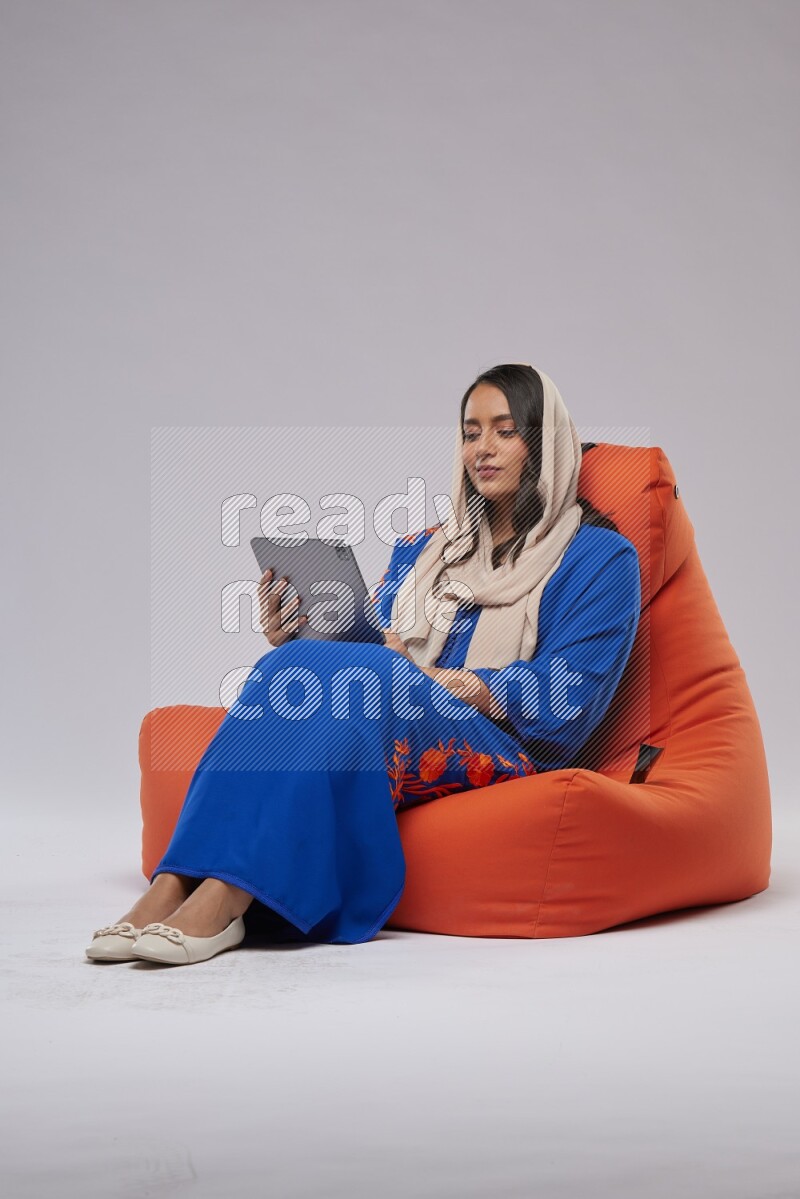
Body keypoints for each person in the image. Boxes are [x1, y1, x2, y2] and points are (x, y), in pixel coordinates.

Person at [86, 363, 641, 966]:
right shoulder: (428, 551)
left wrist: (451, 682)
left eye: (505, 431)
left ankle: (227, 898)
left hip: (505, 745)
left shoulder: (599, 558)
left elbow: (572, 700)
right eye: (470, 431)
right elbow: (378, 651)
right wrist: (302, 633)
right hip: (399, 706)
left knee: (372, 682)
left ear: (545, 443)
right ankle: (173, 881)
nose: (482, 448)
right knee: (295, 664)